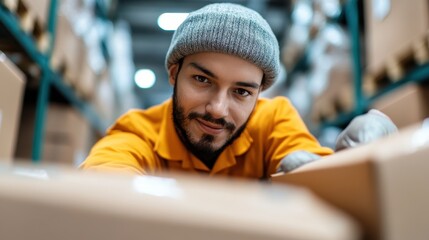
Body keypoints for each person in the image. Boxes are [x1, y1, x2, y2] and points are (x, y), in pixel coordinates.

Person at [80, 3, 397, 178]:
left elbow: (314, 172)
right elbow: (102, 188)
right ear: (174, 73)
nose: (217, 109)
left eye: (242, 92)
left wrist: (366, 168)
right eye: (203, 80)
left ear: (259, 93)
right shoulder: (136, 133)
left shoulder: (273, 120)